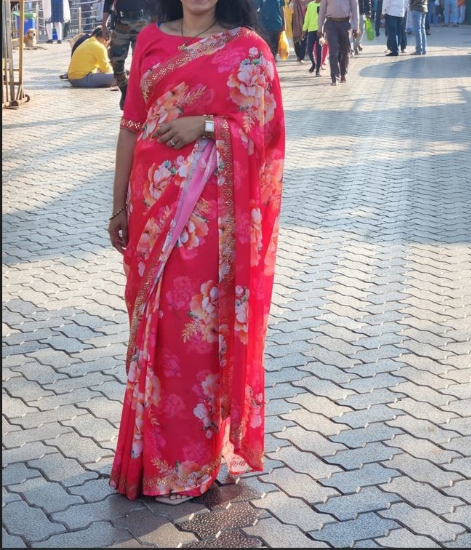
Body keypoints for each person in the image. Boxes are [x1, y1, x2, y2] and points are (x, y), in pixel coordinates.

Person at [107, 0, 285, 504]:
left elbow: (266, 135)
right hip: (150, 212)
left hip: (211, 229)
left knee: (195, 337)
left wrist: (205, 126)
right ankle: (150, 455)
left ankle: (194, 460)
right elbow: (131, 126)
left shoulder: (248, 49)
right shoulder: (149, 41)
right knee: (156, 335)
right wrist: (117, 204)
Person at [102, 0, 151, 110]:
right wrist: (104, 24)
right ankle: (125, 89)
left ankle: (139, 95)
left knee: (142, 62)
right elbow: (108, 3)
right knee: (116, 61)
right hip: (120, 24)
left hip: (142, 22)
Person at [317, 0, 360, 86]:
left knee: (345, 51)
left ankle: (343, 73)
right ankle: (334, 77)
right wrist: (320, 28)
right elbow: (322, 10)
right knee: (333, 51)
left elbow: (355, 9)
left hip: (345, 23)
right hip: (331, 24)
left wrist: (356, 27)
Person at [302, 0, 322, 76]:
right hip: (311, 30)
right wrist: (304, 29)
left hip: (320, 31)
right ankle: (314, 64)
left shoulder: (323, 4)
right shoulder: (310, 5)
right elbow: (307, 17)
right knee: (309, 49)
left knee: (319, 51)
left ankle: (318, 70)